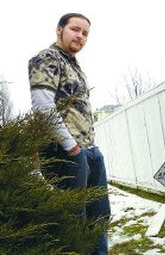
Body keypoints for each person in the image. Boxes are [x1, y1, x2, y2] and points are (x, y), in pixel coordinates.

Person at [28, 13, 110, 255]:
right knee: (75, 222)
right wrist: (72, 147)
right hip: (68, 153)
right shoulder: (47, 58)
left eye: (85, 33)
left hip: (90, 150)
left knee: (99, 217)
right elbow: (43, 107)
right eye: (75, 29)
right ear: (59, 30)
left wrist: (88, 149)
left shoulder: (73, 64)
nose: (81, 36)